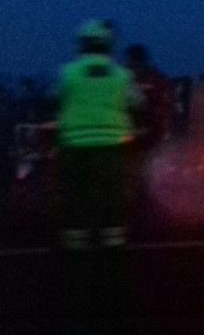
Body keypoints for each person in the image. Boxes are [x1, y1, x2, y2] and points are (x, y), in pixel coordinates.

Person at [57, 20, 143, 248]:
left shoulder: (68, 73)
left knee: (77, 197)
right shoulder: (122, 75)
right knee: (112, 197)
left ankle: (76, 245)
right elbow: (137, 102)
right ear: (108, 44)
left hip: (75, 147)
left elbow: (56, 99)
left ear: (82, 44)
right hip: (111, 147)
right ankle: (113, 246)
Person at [124, 44, 173, 150]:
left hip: (150, 130)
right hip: (125, 129)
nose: (134, 69)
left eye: (136, 65)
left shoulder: (155, 79)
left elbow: (165, 105)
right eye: (131, 65)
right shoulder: (121, 79)